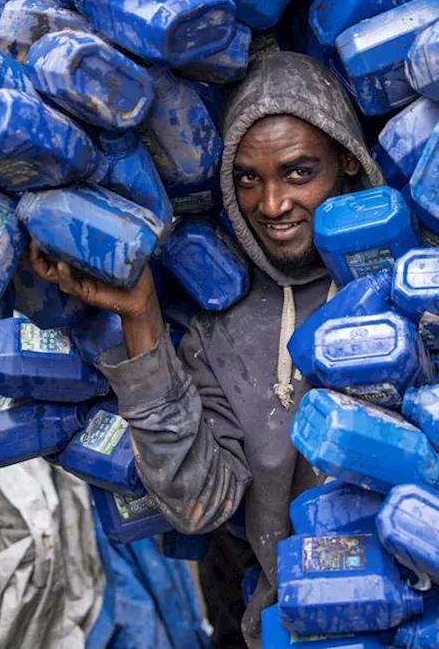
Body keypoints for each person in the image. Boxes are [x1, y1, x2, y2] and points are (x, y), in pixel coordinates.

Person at [30, 51, 386, 647]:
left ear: (348, 161)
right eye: (249, 178)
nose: (272, 205)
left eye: (299, 172)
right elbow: (201, 503)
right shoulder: (219, 330)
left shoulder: (408, 284)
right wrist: (140, 314)